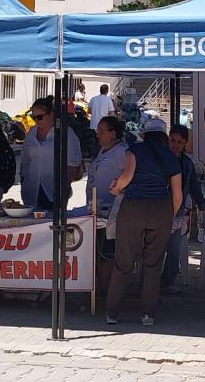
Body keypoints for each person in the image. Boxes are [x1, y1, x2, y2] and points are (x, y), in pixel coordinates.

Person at [106, 118, 182, 326]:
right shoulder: (171, 156)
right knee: (153, 263)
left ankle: (112, 312)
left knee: (124, 261)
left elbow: (127, 176)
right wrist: (169, 215)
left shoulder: (134, 150)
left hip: (133, 207)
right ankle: (148, 313)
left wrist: (115, 189)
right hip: (161, 208)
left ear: (145, 134)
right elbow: (177, 194)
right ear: (163, 136)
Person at [161, 124, 205, 295]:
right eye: (172, 141)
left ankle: (167, 283)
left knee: (174, 250)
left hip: (178, 211)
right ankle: (149, 285)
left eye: (179, 142)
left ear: (185, 144)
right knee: (155, 250)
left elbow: (194, 187)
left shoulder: (187, 164)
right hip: (158, 210)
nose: (175, 145)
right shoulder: (160, 158)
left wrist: (204, 207)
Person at [87, 116, 128, 292]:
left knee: (107, 252)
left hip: (112, 213)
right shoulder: (102, 150)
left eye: (102, 131)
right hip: (96, 209)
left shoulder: (121, 151)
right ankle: (99, 286)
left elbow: (131, 174)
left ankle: (107, 289)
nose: (98, 134)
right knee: (97, 250)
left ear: (113, 133)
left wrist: (120, 189)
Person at [21, 97, 82, 210]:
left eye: (39, 117)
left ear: (51, 114)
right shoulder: (31, 133)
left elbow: (72, 164)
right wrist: (23, 180)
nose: (36, 120)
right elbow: (25, 160)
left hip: (54, 191)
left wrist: (64, 189)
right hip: (31, 190)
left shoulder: (66, 134)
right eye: (33, 117)